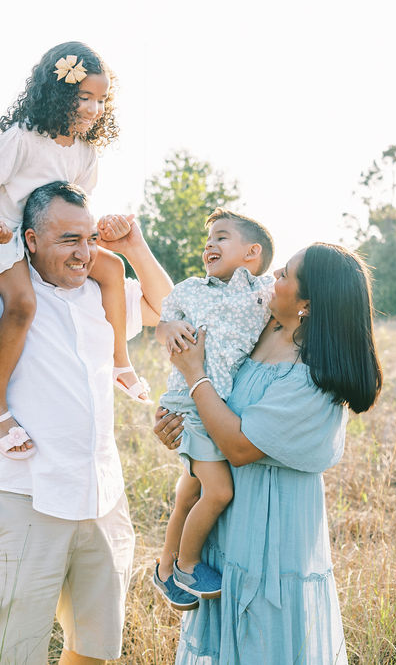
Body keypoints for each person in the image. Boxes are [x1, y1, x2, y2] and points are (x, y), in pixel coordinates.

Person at [0, 180, 172, 665]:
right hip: (26, 495)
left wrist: (134, 246)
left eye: (88, 239)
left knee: (95, 649)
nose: (84, 254)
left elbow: (168, 310)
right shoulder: (6, 295)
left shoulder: (100, 294)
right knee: (9, 655)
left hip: (101, 496)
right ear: (31, 240)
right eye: (68, 240)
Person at [154, 243, 383, 664]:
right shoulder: (262, 325)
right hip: (226, 515)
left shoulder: (313, 379)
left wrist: (194, 376)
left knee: (266, 643)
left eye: (285, 275)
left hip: (271, 533)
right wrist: (177, 422)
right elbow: (191, 303)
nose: (272, 277)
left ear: (308, 305)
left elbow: (239, 446)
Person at [0, 41, 148, 462]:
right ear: (57, 94)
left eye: (101, 100)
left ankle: (119, 362)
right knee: (21, 304)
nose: (93, 108)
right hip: (7, 237)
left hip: (50, 241)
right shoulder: (21, 138)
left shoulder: (86, 151)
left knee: (110, 269)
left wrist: (99, 233)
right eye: (84, 97)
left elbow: (76, 204)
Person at [150, 209, 275, 610]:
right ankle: (186, 565)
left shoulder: (264, 292)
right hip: (190, 400)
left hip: (218, 403)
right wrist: (165, 329)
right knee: (217, 491)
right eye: (208, 240)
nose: (209, 245)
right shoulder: (190, 289)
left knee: (190, 489)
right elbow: (163, 321)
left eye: (222, 238)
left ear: (252, 252)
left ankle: (164, 568)